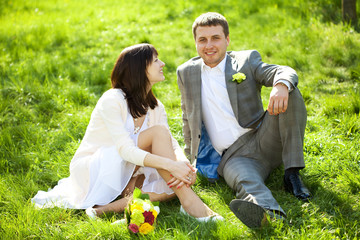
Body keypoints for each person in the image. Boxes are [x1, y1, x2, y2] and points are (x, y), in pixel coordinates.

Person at [32, 43, 223, 222]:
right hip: (96, 166)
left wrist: (182, 164)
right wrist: (170, 165)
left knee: (171, 186)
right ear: (139, 68)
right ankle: (191, 204)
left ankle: (101, 210)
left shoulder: (155, 106)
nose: (162, 63)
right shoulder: (112, 100)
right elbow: (125, 150)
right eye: (156, 60)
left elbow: (170, 142)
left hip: (130, 165)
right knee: (159, 139)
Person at [176, 12, 311, 228]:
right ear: (195, 42)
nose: (209, 45)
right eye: (202, 40)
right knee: (246, 183)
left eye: (215, 38)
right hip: (234, 156)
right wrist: (189, 159)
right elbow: (187, 116)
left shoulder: (246, 61)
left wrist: (281, 85)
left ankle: (292, 173)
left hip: (264, 135)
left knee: (291, 92)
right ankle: (269, 214)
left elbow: (283, 71)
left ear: (227, 40)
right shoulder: (186, 72)